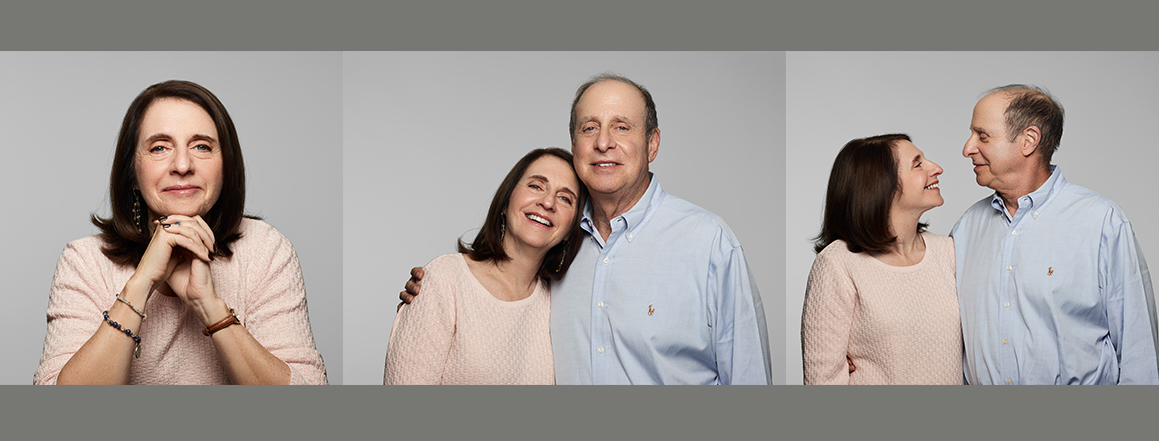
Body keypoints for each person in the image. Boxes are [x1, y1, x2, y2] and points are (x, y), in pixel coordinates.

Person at [401, 74, 771, 384]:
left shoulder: (708, 243)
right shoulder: (558, 253)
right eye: (589, 128)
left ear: (652, 143)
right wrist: (434, 289)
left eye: (621, 127)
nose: (603, 142)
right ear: (575, 144)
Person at [34, 80, 328, 385]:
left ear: (225, 166)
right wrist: (142, 282)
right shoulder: (85, 261)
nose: (183, 165)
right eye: (159, 147)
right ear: (132, 173)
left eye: (201, 146)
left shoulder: (265, 249)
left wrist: (210, 307)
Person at [951, 84, 1159, 385]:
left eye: (982, 136)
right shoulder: (966, 229)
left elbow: (1138, 352)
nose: (967, 148)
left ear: (1029, 140)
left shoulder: (1101, 222)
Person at [384, 148, 586, 384]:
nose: (548, 202)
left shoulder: (562, 303)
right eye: (536, 186)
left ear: (571, 229)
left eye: (565, 198)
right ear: (505, 202)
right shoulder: (444, 280)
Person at [801, 134, 962, 385]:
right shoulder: (837, 263)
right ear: (879, 185)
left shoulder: (949, 252)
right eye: (918, 164)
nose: (936, 168)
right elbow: (823, 381)